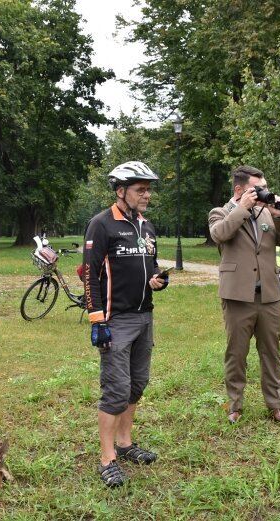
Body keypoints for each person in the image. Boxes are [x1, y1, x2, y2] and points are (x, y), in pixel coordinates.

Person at [83, 161, 169, 488]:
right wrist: (97, 320)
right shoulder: (101, 225)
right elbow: (90, 274)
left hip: (145, 316)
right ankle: (107, 458)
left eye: (148, 189)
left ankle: (125, 443)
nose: (147, 195)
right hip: (115, 320)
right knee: (116, 391)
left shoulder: (147, 226)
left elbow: (150, 264)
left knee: (136, 385)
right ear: (120, 191)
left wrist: (157, 279)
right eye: (140, 189)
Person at [209, 165, 280, 424]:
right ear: (240, 189)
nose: (265, 192)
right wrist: (242, 208)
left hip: (268, 294)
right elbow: (219, 234)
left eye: (265, 187)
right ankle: (235, 405)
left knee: (271, 352)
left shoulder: (267, 213)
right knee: (236, 353)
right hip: (238, 295)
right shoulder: (221, 212)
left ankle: (276, 404)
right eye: (259, 188)